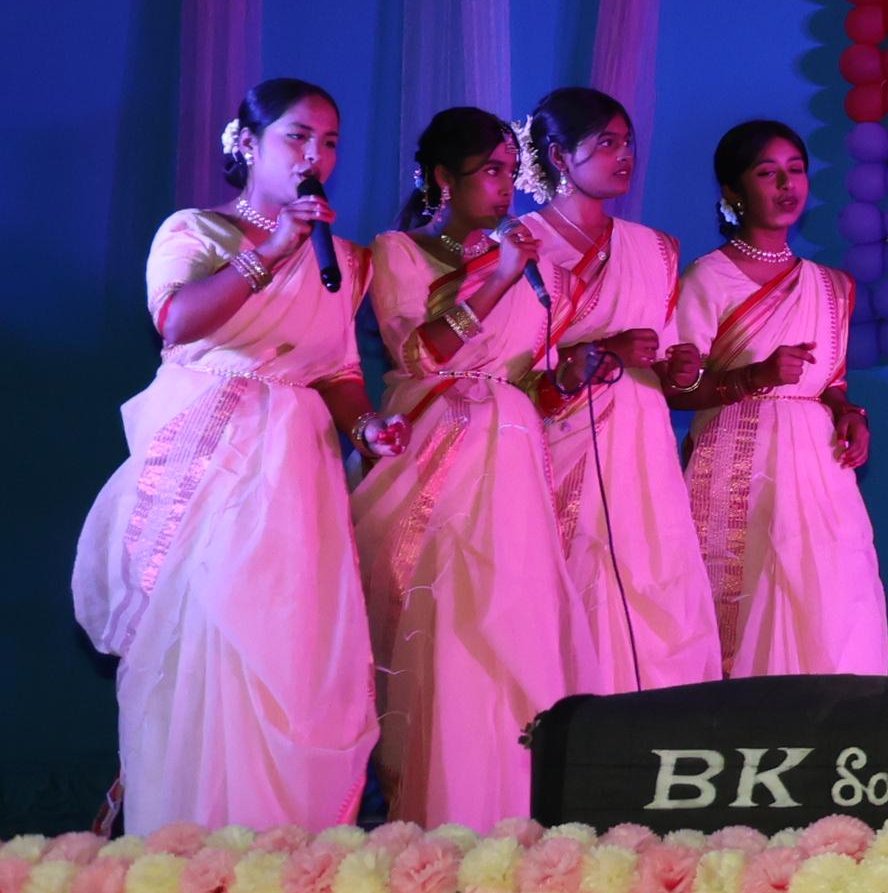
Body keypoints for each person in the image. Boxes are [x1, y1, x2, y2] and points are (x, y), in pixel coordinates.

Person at [71, 80, 390, 830]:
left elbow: (338, 369)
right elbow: (176, 321)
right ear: (248, 143)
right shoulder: (195, 231)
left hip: (298, 475)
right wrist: (271, 251)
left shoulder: (343, 259)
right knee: (206, 641)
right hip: (208, 465)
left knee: (292, 648)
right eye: (297, 136)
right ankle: (190, 843)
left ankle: (289, 848)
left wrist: (367, 428)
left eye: (330, 143)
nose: (315, 156)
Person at [351, 106, 572, 828]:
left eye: (512, 172)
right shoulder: (401, 251)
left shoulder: (533, 270)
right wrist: (500, 275)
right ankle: (432, 812)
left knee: (510, 628)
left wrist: (572, 377)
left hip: (513, 460)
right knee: (443, 627)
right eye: (490, 171)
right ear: (444, 178)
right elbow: (418, 354)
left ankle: (507, 813)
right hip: (434, 453)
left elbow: (533, 380)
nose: (506, 187)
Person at [522, 87, 724, 693]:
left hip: (640, 442)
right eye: (607, 142)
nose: (625, 155)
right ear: (560, 156)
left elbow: (666, 359)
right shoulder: (522, 245)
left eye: (628, 142)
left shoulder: (655, 249)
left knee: (649, 582)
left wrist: (681, 368)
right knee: (570, 580)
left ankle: (644, 725)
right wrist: (603, 353)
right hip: (554, 436)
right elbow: (509, 364)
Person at [669, 121, 888, 678]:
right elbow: (678, 387)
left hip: (818, 468)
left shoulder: (831, 285)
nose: (787, 185)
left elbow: (829, 382)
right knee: (743, 602)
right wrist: (754, 377)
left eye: (796, 170)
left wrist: (849, 415)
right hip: (737, 465)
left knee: (828, 599)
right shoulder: (707, 279)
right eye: (768, 173)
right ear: (733, 191)